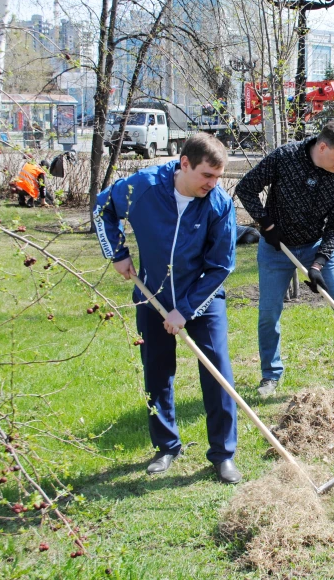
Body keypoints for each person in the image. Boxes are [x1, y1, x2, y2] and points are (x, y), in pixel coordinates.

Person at [94, 133, 241, 484]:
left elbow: (222, 266)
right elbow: (103, 209)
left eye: (218, 178)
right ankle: (166, 446)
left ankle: (223, 455)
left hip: (201, 300)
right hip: (152, 296)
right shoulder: (144, 186)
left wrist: (186, 310)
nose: (213, 184)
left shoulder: (219, 205)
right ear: (184, 163)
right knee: (157, 373)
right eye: (207, 175)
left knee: (217, 372)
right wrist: (117, 253)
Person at [235, 119, 334, 398]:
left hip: (316, 246)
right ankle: (270, 375)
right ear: (322, 146)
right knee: (269, 312)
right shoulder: (285, 157)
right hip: (275, 249)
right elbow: (245, 188)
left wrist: (318, 263)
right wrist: (266, 225)